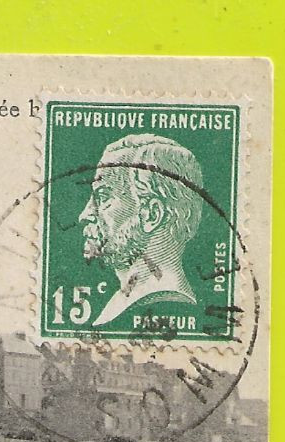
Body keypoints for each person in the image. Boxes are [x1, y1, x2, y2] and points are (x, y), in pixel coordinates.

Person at [79, 133, 207, 326]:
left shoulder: (165, 304)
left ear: (151, 215)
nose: (84, 215)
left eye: (103, 197)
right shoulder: (122, 304)